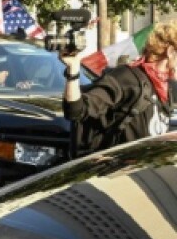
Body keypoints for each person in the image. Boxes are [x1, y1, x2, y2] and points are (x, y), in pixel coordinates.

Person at [62, 22, 177, 154]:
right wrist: (73, 70)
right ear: (171, 52)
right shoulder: (127, 78)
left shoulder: (165, 87)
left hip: (149, 166)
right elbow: (75, 110)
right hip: (119, 166)